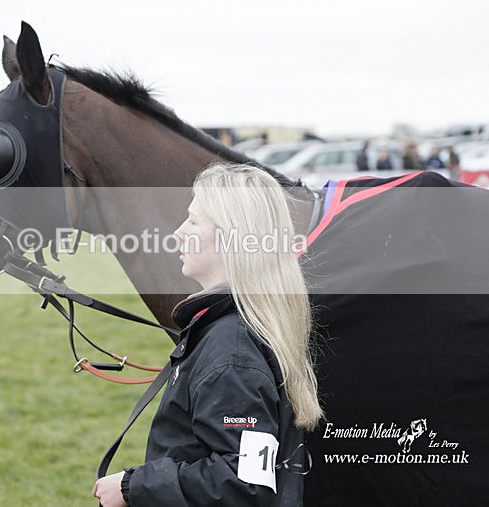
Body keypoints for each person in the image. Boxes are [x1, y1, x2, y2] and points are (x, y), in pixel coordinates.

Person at [93, 163, 323, 506]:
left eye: (193, 221)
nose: (178, 232)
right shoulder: (237, 329)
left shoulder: (233, 351)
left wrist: (133, 486)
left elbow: (243, 483)